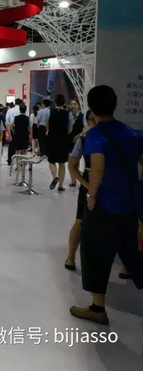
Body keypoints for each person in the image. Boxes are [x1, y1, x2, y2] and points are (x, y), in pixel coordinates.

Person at [70, 85, 142, 326]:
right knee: (132, 254)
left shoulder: (95, 134)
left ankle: (97, 308)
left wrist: (91, 195)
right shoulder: (131, 132)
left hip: (103, 206)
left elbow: (97, 167)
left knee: (95, 254)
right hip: (129, 206)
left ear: (91, 108)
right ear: (115, 104)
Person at [65, 110, 95, 270]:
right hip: (88, 183)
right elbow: (72, 166)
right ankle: (71, 256)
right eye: (92, 120)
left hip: (110, 185)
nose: (95, 123)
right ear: (87, 122)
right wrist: (86, 184)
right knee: (80, 221)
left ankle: (125, 265)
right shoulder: (83, 141)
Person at [47, 94, 71, 191]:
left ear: (55, 102)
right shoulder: (67, 114)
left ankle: (55, 177)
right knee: (62, 163)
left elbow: (47, 126)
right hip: (63, 140)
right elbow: (70, 128)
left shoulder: (50, 112)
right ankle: (61, 186)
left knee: (51, 161)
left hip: (52, 139)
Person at [68, 99, 85, 187]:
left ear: (78, 106)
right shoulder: (68, 115)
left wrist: (80, 135)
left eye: (74, 104)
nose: (73, 106)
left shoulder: (82, 116)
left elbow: (86, 128)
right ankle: (73, 180)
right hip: (69, 141)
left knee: (77, 161)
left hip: (79, 140)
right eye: (71, 104)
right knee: (70, 160)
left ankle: (76, 178)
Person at [6, 98, 23, 165]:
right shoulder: (21, 110)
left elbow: (7, 120)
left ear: (15, 103)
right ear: (21, 103)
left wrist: (8, 129)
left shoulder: (10, 110)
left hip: (12, 127)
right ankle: (20, 161)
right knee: (20, 145)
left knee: (12, 144)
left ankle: (10, 160)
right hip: (20, 128)